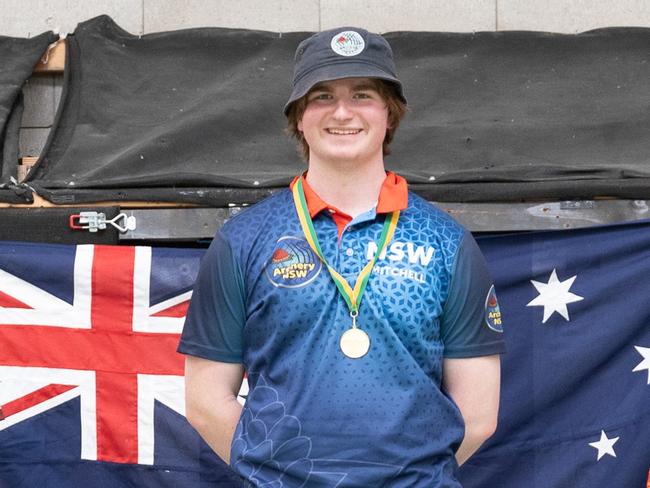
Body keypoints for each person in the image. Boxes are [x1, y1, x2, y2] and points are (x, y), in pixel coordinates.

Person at [178, 26, 505, 487]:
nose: (343, 112)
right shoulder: (243, 239)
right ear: (298, 118)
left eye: (363, 95)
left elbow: (477, 417)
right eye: (322, 96)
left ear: (390, 114)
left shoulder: (446, 242)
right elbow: (206, 401)